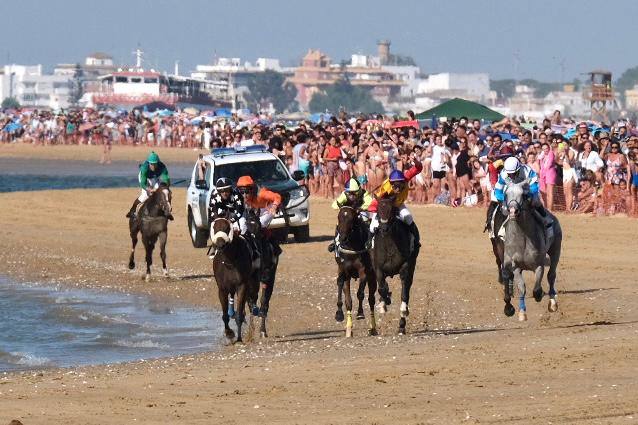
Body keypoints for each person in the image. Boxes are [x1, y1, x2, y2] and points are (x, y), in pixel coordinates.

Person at [236, 175, 282, 318]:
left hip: (264, 214)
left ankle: (270, 261)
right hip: (246, 218)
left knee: (258, 226)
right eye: (242, 192)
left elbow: (277, 197)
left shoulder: (261, 194)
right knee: (240, 228)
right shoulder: (237, 199)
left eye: (247, 191)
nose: (245, 195)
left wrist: (274, 206)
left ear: (253, 189)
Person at [368, 159, 423, 246]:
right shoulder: (386, 188)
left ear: (403, 181)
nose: (397, 189)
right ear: (391, 183)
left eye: (399, 185)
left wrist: (417, 163)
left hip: (398, 204)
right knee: (373, 226)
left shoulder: (406, 177)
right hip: (384, 206)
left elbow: (418, 168)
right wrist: (374, 211)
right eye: (395, 186)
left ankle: (416, 240)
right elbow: (375, 202)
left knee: (408, 218)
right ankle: (369, 244)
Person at [493, 156, 551, 227]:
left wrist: (530, 195)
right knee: (504, 209)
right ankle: (499, 228)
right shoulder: (504, 174)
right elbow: (498, 190)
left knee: (536, 200)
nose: (511, 176)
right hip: (510, 192)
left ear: (519, 169)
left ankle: (545, 218)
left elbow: (534, 187)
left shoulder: (527, 171)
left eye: (513, 173)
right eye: (509, 174)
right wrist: (503, 201)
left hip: (526, 190)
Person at [327, 177, 373, 253]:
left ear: (359, 190)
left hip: (360, 212)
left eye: (354, 192)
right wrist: (344, 208)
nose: (351, 195)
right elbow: (334, 205)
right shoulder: (344, 194)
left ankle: (369, 240)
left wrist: (360, 208)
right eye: (350, 192)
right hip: (348, 214)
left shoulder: (364, 193)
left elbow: (370, 203)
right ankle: (336, 241)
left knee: (365, 219)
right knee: (341, 222)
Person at [126, 151, 172, 219]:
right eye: (151, 164)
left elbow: (166, 179)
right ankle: (132, 211)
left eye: (155, 164)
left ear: (158, 162)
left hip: (155, 177)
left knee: (165, 192)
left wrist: (165, 186)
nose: (153, 166)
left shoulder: (162, 167)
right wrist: (149, 189)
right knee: (145, 195)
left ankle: (167, 211)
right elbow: (143, 184)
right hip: (144, 178)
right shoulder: (144, 168)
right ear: (148, 163)